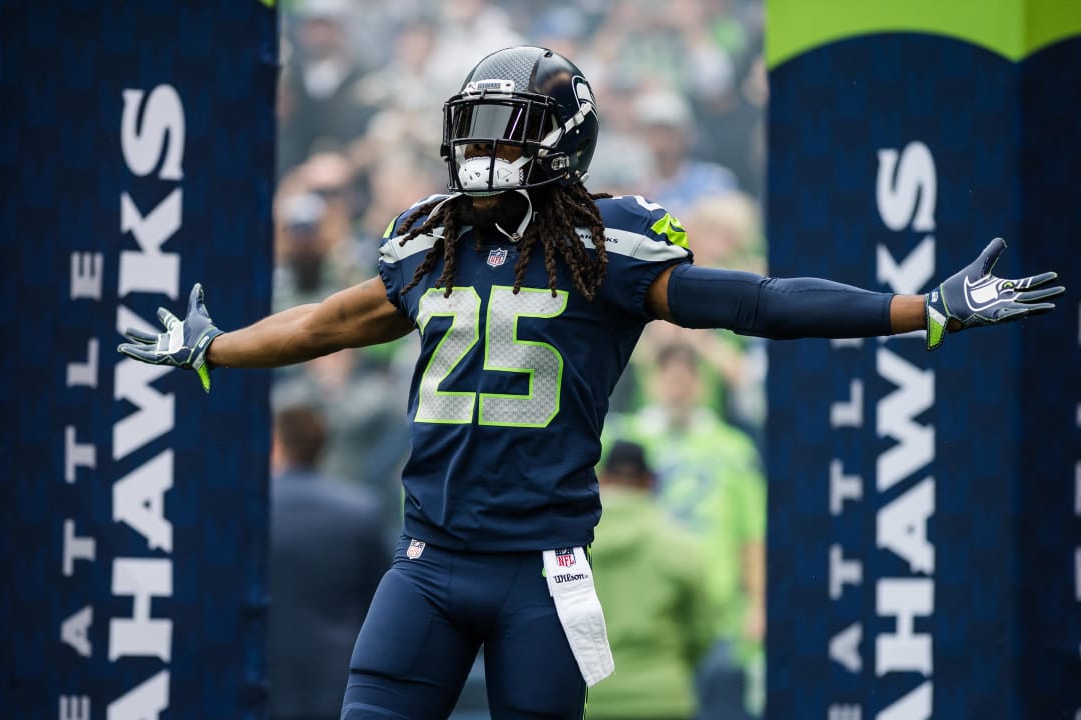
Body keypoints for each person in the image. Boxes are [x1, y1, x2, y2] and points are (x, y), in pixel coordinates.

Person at [116, 45, 1064, 719]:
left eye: (508, 131)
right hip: (428, 565)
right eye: (474, 128)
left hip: (542, 571)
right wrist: (217, 348)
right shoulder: (432, 245)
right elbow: (329, 323)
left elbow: (759, 300)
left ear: (561, 141)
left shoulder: (606, 253)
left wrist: (919, 308)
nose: (483, 150)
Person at [605, 342, 766, 720]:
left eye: (686, 377)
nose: (677, 386)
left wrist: (758, 606)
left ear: (702, 385)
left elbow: (751, 535)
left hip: (720, 611)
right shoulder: (620, 440)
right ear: (652, 380)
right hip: (641, 612)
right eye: (669, 376)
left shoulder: (732, 448)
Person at [267, 405, 387, 720]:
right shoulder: (361, 510)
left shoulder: (248, 510)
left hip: (264, 678)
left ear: (276, 444)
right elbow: (379, 600)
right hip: (336, 682)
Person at [589, 441, 714, 720]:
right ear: (649, 482)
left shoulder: (574, 544)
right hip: (662, 697)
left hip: (591, 697)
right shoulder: (677, 542)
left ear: (603, 478)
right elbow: (702, 628)